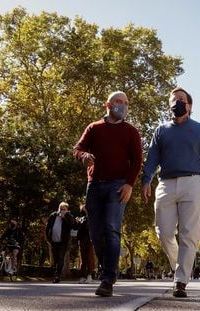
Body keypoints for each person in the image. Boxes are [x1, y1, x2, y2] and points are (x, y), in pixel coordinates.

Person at [141, 86, 200, 298]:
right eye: (173, 99)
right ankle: (180, 266)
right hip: (165, 184)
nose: (177, 102)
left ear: (189, 105)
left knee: (188, 234)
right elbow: (152, 159)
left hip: (192, 183)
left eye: (181, 99)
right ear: (169, 105)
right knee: (163, 232)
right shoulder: (161, 130)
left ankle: (180, 281)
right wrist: (146, 180)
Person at [73, 91, 142, 297]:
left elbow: (137, 161)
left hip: (118, 186)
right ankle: (109, 270)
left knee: (112, 228)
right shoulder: (94, 128)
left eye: (126, 103)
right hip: (94, 186)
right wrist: (84, 155)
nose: (123, 105)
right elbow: (77, 148)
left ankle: (107, 279)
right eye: (119, 102)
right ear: (108, 105)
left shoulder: (131, 131)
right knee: (95, 233)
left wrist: (129, 184)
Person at [45, 202, 75, 283]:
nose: (62, 211)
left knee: (61, 258)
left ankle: (58, 275)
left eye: (64, 209)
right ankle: (55, 274)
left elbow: (71, 226)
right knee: (55, 259)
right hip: (53, 241)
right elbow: (47, 227)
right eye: (61, 209)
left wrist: (64, 218)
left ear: (67, 210)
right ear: (59, 208)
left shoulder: (69, 216)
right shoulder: (53, 215)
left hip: (63, 242)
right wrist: (48, 237)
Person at [75, 204, 95, 284]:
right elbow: (77, 228)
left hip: (90, 239)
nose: (84, 210)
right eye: (82, 209)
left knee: (90, 257)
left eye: (85, 209)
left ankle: (90, 276)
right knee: (83, 259)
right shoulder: (81, 219)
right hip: (82, 239)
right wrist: (77, 222)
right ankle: (83, 276)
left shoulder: (92, 217)